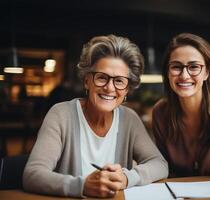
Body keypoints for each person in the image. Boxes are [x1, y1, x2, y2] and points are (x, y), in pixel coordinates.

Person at [23, 35, 168, 198]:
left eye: (119, 81)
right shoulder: (61, 114)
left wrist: (127, 178)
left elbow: (160, 164)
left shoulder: (129, 119)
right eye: (102, 77)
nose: (109, 88)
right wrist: (82, 186)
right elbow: (32, 175)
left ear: (127, 89)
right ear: (87, 81)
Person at [152, 33, 210, 178]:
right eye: (176, 67)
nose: (184, 75)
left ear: (206, 72)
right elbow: (163, 168)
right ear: (168, 72)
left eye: (194, 67)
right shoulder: (160, 112)